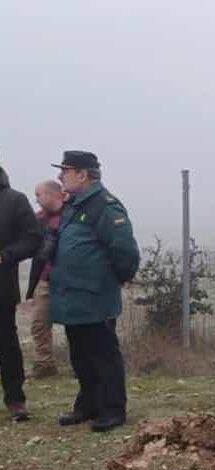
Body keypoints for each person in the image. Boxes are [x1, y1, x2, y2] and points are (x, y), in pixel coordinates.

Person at [51, 151, 140, 432]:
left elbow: (124, 251)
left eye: (65, 170)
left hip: (95, 296)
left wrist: (114, 280)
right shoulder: (75, 205)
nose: (60, 176)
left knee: (103, 355)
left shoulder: (104, 205)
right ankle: (88, 405)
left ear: (83, 175)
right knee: (80, 356)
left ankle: (112, 409)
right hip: (73, 297)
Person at [0, 163, 42, 422]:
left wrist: (5, 256)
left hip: (1, 287)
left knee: (6, 344)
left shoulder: (14, 200)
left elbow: (33, 238)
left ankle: (15, 399)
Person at [26, 180, 66, 379]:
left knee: (78, 324)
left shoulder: (72, 215)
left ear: (52, 194)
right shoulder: (39, 219)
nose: (37, 200)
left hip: (70, 278)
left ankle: (82, 364)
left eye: (39, 195)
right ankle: (45, 364)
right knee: (39, 323)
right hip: (45, 279)